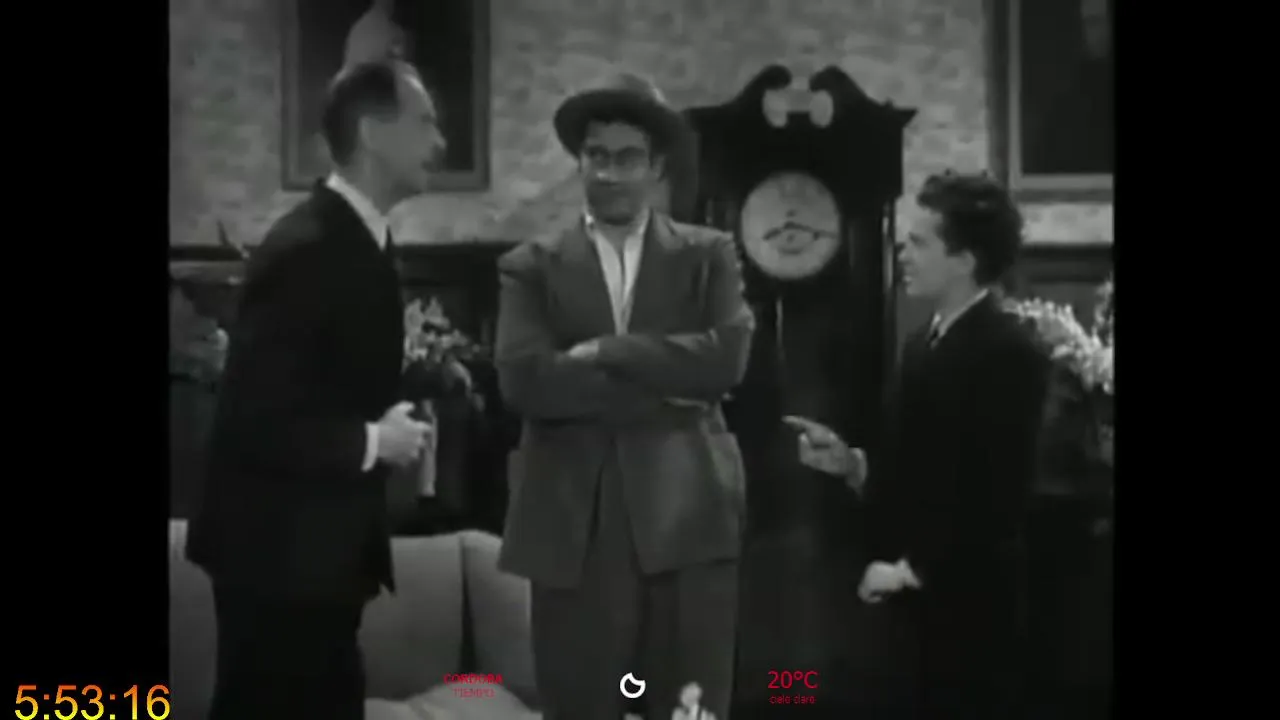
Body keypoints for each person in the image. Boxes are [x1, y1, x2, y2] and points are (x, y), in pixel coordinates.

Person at [186, 58, 446, 720]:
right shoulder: (308, 247)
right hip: (276, 561)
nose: (440, 142)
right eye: (425, 122)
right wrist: (374, 441)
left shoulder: (359, 238)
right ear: (373, 132)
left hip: (314, 559)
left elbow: (324, 381)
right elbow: (257, 420)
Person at [494, 73, 754, 720]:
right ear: (581, 162)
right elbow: (524, 380)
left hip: (687, 516)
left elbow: (726, 360)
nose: (609, 173)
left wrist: (611, 351)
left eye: (627, 157)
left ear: (657, 167)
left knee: (690, 710)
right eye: (596, 156)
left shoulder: (709, 254)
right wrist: (673, 386)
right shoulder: (529, 266)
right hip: (572, 526)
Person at [795, 172, 1050, 719]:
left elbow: (996, 501)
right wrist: (851, 465)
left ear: (964, 259)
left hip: (970, 615)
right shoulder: (921, 343)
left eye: (918, 243)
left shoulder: (1010, 352)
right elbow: (920, 470)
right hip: (915, 615)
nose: (902, 255)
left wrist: (911, 572)